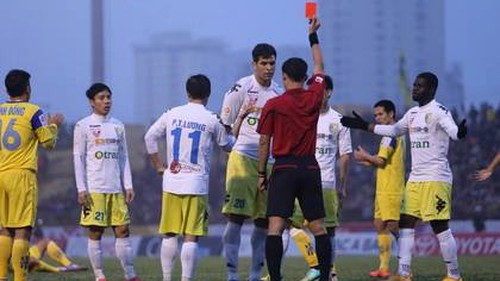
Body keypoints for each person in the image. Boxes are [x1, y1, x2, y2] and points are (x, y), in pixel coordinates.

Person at [341, 72, 467, 281]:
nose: (414, 88)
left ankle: (454, 275)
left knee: (439, 226)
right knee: (406, 223)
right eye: (414, 85)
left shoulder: (439, 112)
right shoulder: (411, 114)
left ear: (431, 89)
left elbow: (454, 132)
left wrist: (460, 133)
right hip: (415, 179)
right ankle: (404, 274)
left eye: (419, 86)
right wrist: (365, 126)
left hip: (436, 177)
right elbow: (392, 130)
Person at [256, 18, 332, 281]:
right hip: (310, 166)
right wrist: (313, 36)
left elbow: (264, 141)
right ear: (306, 78)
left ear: (284, 77)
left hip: (285, 167)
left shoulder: (274, 105)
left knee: (275, 227)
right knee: (319, 228)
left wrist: (261, 173)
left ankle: (275, 278)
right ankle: (324, 277)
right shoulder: (314, 97)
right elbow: (320, 66)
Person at [144, 74, 236, 281]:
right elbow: (228, 145)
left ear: (187, 93)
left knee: (169, 233)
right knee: (190, 236)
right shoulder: (211, 119)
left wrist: (159, 166)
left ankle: (167, 278)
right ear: (209, 94)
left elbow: (149, 137)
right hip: (196, 184)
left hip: (172, 181)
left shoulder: (172, 113)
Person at [220, 42, 283, 281]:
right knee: (235, 217)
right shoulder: (239, 89)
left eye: (272, 63)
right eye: (264, 63)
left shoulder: (278, 92)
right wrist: (230, 152)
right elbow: (224, 127)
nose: (268, 68)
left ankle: (255, 275)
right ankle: (232, 274)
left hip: (270, 162)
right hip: (242, 158)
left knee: (263, 221)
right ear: (254, 64)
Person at [0, 69, 63, 281]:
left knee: (4, 229)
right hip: (21, 175)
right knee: (22, 230)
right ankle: (19, 278)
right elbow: (49, 142)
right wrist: (54, 124)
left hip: (1, 174)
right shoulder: (34, 112)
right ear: (28, 88)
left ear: (7, 89)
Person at [73, 83, 140, 281]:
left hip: (115, 189)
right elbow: (79, 157)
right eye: (101, 98)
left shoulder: (118, 125)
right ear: (92, 102)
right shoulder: (83, 125)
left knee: (123, 230)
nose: (107, 101)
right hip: (94, 189)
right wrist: (81, 188)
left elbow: (124, 156)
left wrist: (128, 184)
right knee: (96, 232)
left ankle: (130, 275)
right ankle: (99, 275)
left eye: (109, 97)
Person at [288, 75, 352, 281]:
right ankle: (315, 265)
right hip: (302, 180)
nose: (313, 95)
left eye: (318, 90)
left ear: (329, 92)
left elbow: (344, 155)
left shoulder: (339, 121)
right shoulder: (302, 116)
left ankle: (330, 272)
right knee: (290, 224)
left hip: (326, 184)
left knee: (329, 231)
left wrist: (342, 186)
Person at [353, 100, 405, 278]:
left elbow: (381, 161)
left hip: (392, 189)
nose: (377, 118)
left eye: (381, 114)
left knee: (394, 227)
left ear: (391, 114)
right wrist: (366, 160)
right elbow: (382, 163)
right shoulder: (387, 136)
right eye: (375, 115)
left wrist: (365, 156)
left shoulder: (391, 135)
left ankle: (405, 269)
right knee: (379, 225)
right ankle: (383, 268)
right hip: (382, 189)